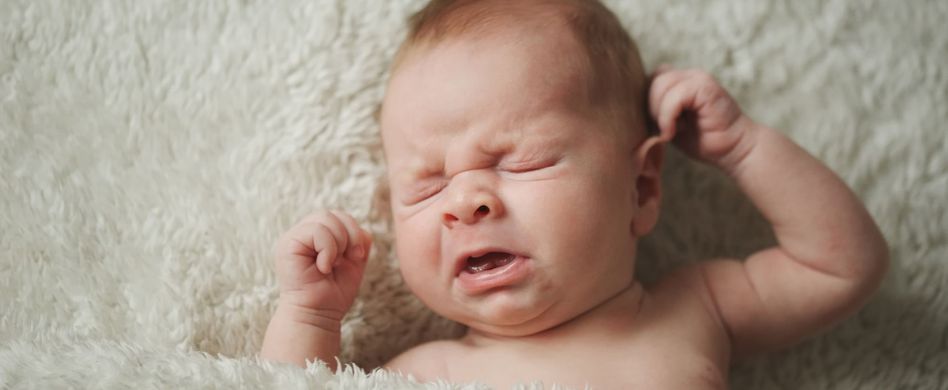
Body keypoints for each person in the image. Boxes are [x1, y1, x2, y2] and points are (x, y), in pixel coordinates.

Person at [260, 0, 889, 388]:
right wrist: (311, 317)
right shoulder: (427, 371)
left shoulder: (697, 310)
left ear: (641, 189)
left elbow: (841, 266)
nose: (463, 201)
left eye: (520, 162)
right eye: (426, 186)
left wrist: (742, 148)